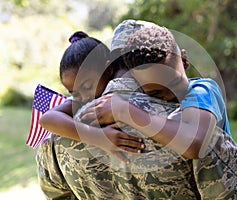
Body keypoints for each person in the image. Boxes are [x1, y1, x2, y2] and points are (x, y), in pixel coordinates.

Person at [82, 25, 237, 199]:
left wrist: (126, 112)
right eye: (156, 92)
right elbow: (53, 118)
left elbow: (195, 144)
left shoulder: (202, 90)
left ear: (184, 61)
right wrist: (97, 136)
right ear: (139, 86)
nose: (171, 95)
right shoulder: (141, 101)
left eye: (176, 82)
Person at [37, 21, 201, 199]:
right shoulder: (190, 124)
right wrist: (96, 136)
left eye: (86, 86)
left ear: (109, 69)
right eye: (74, 93)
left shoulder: (56, 141)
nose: (82, 97)